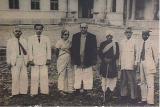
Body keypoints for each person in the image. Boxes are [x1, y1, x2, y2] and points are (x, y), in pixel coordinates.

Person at [71, 23, 97, 94]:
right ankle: (77, 89)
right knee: (77, 74)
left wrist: (94, 62)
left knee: (87, 75)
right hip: (78, 59)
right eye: (82, 27)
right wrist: (73, 60)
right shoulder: (75, 36)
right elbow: (73, 49)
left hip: (87, 59)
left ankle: (86, 90)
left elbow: (94, 50)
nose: (83, 29)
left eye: (84, 27)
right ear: (80, 28)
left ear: (87, 28)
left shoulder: (92, 37)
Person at [28, 24, 51, 96]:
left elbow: (49, 49)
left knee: (44, 76)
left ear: (42, 29)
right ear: (34, 29)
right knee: (34, 76)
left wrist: (48, 59)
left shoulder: (46, 38)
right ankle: (34, 92)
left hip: (44, 60)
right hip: (34, 61)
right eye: (37, 29)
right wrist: (30, 60)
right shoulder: (30, 38)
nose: (38, 30)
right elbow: (29, 50)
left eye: (40, 29)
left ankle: (44, 91)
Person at [6, 26, 28, 96]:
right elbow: (8, 52)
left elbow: (27, 52)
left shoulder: (24, 40)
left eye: (19, 31)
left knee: (24, 76)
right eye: (16, 31)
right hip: (14, 61)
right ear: (13, 32)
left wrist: (27, 61)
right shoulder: (10, 41)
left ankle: (23, 91)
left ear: (21, 32)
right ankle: (15, 92)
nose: (17, 33)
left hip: (23, 60)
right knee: (15, 76)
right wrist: (8, 62)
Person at [119, 27, 138, 104]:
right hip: (123, 65)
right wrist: (119, 64)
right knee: (123, 81)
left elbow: (137, 53)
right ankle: (124, 96)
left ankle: (133, 98)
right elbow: (120, 54)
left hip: (131, 65)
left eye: (130, 32)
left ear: (132, 33)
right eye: (127, 32)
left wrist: (136, 63)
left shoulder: (134, 42)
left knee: (132, 81)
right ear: (125, 33)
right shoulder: (122, 42)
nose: (128, 34)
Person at [98, 32, 119, 102]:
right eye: (108, 36)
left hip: (112, 64)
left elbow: (117, 54)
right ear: (106, 36)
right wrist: (104, 59)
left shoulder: (115, 44)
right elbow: (100, 53)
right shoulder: (102, 44)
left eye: (110, 36)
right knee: (104, 78)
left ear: (112, 36)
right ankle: (105, 92)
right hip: (104, 63)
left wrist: (111, 59)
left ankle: (110, 92)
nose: (109, 37)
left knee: (112, 78)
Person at [138, 30, 156, 106]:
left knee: (150, 83)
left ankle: (150, 101)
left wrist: (154, 65)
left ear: (148, 35)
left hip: (149, 65)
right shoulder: (141, 43)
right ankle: (144, 99)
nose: (144, 36)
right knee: (142, 82)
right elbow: (139, 54)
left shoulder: (152, 43)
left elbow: (156, 56)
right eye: (143, 35)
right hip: (142, 63)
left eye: (145, 35)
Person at [55, 29, 74, 94]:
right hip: (61, 59)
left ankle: (69, 88)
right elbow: (56, 52)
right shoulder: (59, 42)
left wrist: (66, 50)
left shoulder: (70, 42)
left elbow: (72, 51)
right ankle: (61, 89)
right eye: (65, 34)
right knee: (62, 74)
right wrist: (59, 58)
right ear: (62, 35)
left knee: (69, 73)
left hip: (69, 58)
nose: (66, 36)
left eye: (67, 34)